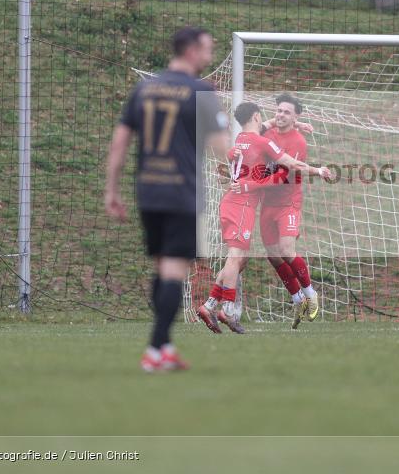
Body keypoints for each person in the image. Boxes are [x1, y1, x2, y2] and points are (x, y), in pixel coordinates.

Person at [105, 26, 230, 373]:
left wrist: (112, 190)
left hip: (148, 191)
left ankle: (165, 348)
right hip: (181, 192)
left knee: (163, 268)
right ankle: (155, 349)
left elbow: (119, 142)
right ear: (191, 50)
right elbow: (222, 148)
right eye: (207, 48)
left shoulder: (144, 87)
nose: (210, 55)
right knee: (175, 271)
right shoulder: (200, 91)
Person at [195, 101, 333, 334]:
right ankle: (227, 309)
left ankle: (209, 305)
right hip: (241, 204)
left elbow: (253, 136)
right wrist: (318, 170)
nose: (275, 116)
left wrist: (297, 123)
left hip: (239, 203)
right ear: (257, 117)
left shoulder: (241, 139)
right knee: (235, 257)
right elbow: (290, 163)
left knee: (241, 259)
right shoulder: (262, 141)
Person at [258, 94, 320, 329]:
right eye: (279, 111)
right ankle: (297, 300)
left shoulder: (298, 143)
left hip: (288, 202)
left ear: (296, 116)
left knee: (286, 250)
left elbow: (283, 176)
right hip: (268, 204)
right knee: (273, 256)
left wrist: (254, 180)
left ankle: (311, 294)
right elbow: (253, 131)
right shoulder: (267, 133)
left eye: (286, 112)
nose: (280, 114)